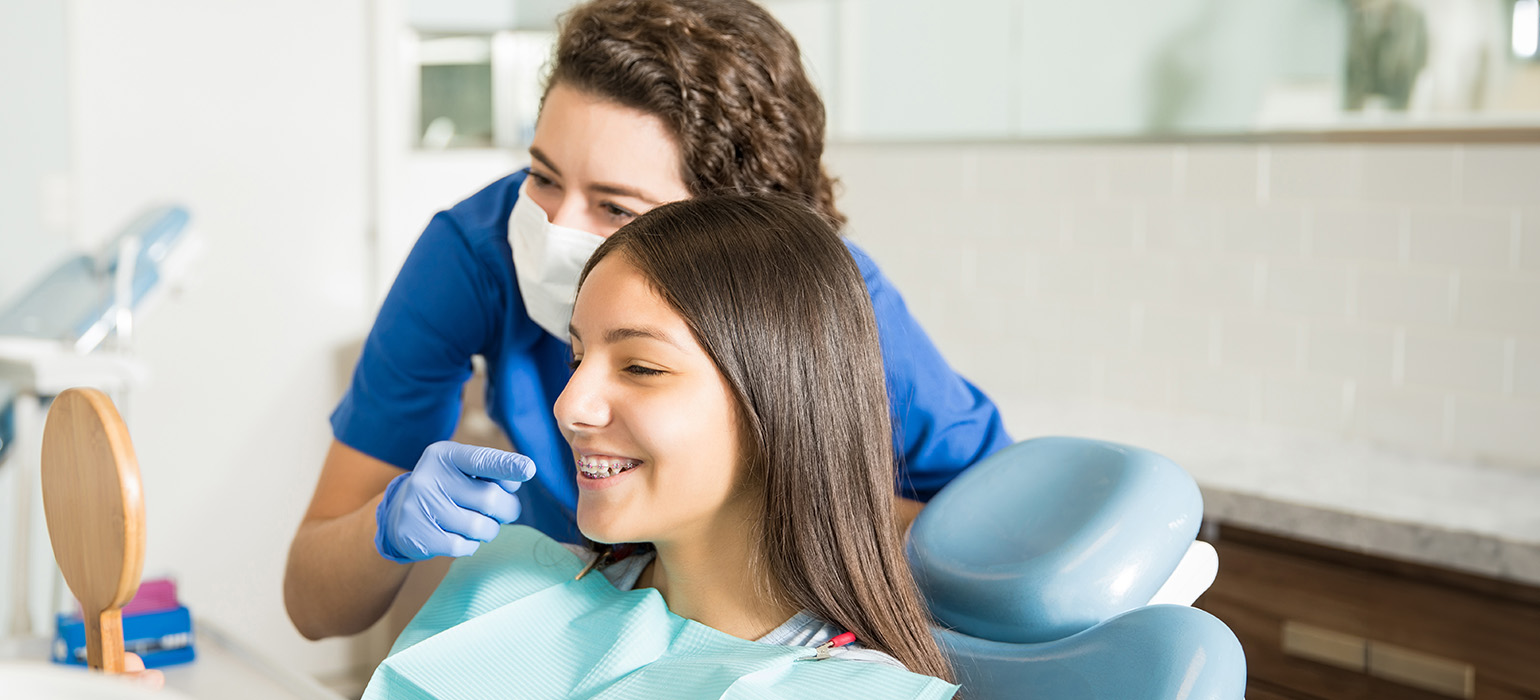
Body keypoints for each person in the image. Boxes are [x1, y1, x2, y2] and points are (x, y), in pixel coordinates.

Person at [285, 0, 1010, 641]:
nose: (555, 228)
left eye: (616, 207)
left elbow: (999, 547)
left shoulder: (824, 308)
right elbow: (315, 606)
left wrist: (789, 508)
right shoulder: (478, 252)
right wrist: (387, 527)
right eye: (542, 176)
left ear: (738, 241)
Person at [362, 195, 958, 699]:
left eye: (641, 367)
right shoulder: (508, 586)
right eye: (576, 358)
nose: (568, 405)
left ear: (780, 404)